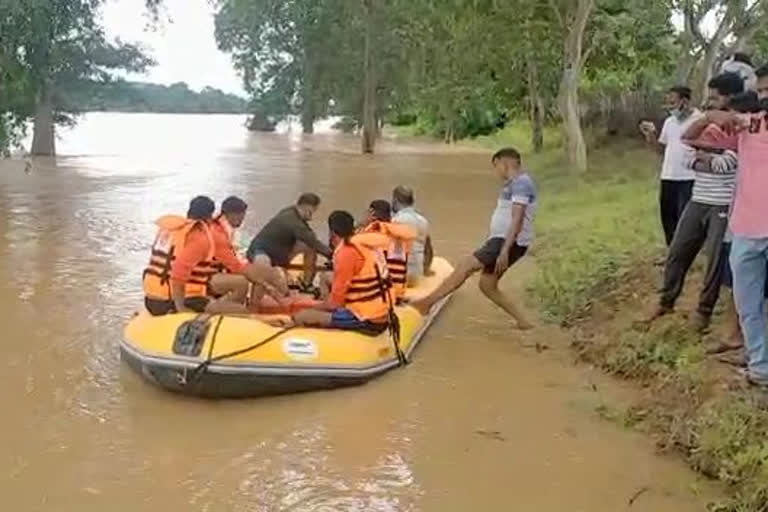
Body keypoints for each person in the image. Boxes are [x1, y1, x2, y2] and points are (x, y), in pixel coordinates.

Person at [646, 73, 744, 331]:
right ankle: (666, 301)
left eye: (714, 97)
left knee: (713, 263)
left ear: (729, 97)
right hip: (698, 198)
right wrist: (708, 120)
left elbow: (728, 164)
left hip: (723, 204)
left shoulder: (740, 126)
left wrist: (705, 158)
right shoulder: (707, 123)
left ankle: (703, 313)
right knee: (677, 252)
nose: (709, 102)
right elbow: (686, 151)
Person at [410, 148, 536, 329]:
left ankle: (426, 304)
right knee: (487, 285)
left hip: (507, 241)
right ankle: (524, 322)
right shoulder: (514, 184)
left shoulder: (520, 184)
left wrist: (504, 250)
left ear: (504, 163)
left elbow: (518, 218)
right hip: (501, 240)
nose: (496, 172)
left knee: (465, 266)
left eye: (496, 166)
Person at [702, 63, 768, 388]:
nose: (764, 96)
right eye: (762, 90)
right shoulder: (749, 125)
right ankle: (760, 368)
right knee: (747, 303)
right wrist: (723, 116)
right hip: (746, 228)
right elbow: (714, 124)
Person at [143, 196, 274, 315]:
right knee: (242, 313)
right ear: (209, 217)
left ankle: (216, 308)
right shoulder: (199, 238)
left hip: (151, 299)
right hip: (173, 300)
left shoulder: (170, 230)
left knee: (231, 294)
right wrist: (181, 308)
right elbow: (178, 275)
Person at [286, 210, 393, 334]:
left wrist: (313, 308)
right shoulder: (362, 242)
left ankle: (330, 327)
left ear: (332, 233)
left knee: (302, 316)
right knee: (325, 277)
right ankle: (332, 319)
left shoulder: (345, 253)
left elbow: (334, 304)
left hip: (366, 317)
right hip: (381, 310)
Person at [639, 86, 703, 246]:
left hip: (690, 177)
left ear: (685, 101)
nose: (670, 107)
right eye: (668, 103)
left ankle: (688, 254)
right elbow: (661, 148)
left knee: (686, 220)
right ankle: (672, 251)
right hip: (668, 177)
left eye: (673, 103)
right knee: (668, 217)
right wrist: (650, 135)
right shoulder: (670, 122)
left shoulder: (700, 120)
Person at [246, 193, 333, 292]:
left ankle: (306, 284)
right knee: (264, 273)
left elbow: (310, 237)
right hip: (260, 252)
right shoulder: (293, 221)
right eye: (311, 211)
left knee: (309, 247)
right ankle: (256, 302)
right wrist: (333, 255)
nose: (312, 215)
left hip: (279, 250)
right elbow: (313, 241)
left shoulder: (291, 211)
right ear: (305, 207)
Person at [359, 199, 417, 301]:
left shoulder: (372, 230)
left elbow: (349, 246)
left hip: (379, 295)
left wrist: (362, 224)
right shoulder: (401, 233)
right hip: (398, 293)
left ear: (372, 214)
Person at [391, 185, 434, 285]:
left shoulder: (396, 220)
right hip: (417, 274)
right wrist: (426, 270)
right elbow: (428, 249)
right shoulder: (423, 221)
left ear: (395, 201)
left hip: (400, 275)